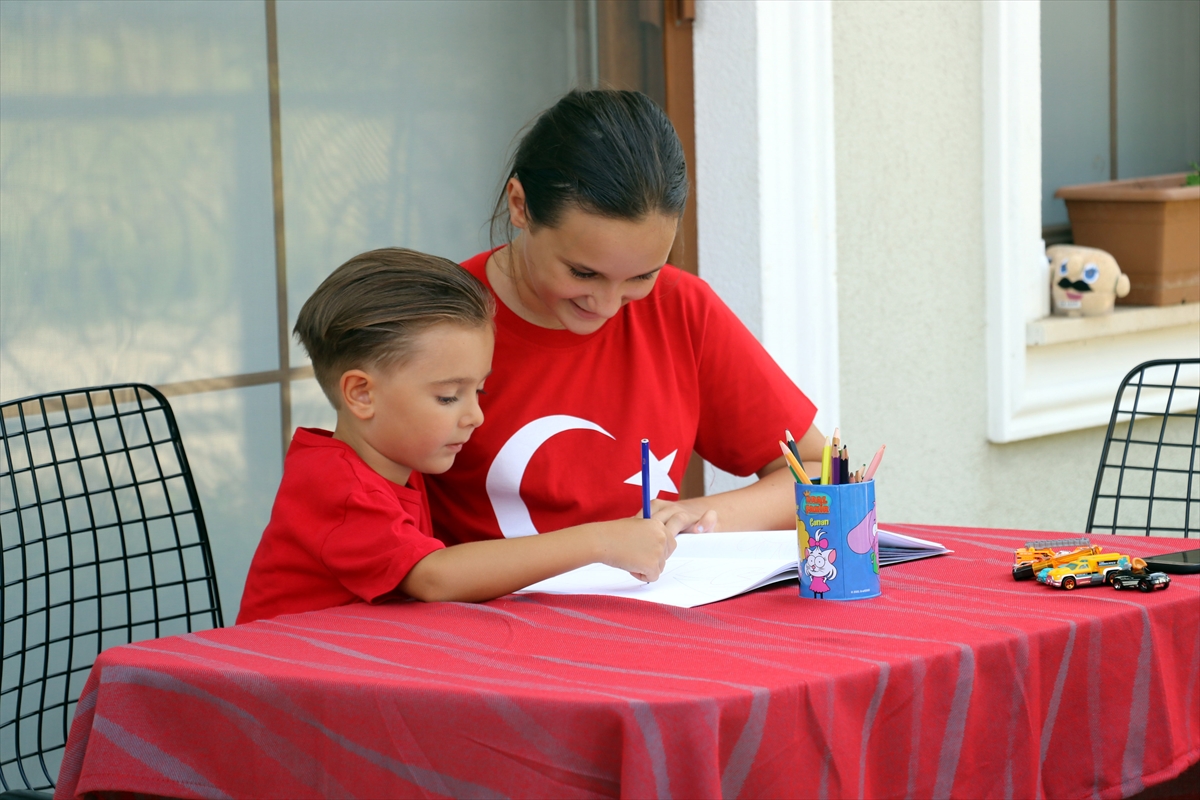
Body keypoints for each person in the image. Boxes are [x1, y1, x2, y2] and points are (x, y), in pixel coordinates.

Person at [425, 89, 825, 545]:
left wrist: (696, 515)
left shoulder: (681, 307)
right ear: (520, 206)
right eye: (583, 272)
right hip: (485, 613)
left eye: (641, 276)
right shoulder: (434, 323)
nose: (608, 304)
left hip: (646, 609)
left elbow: (815, 470)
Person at [236, 248, 701, 624]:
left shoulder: (396, 466)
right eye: (448, 397)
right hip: (280, 699)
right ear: (361, 394)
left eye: (478, 390)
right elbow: (433, 577)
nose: (475, 416)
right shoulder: (335, 484)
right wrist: (600, 542)